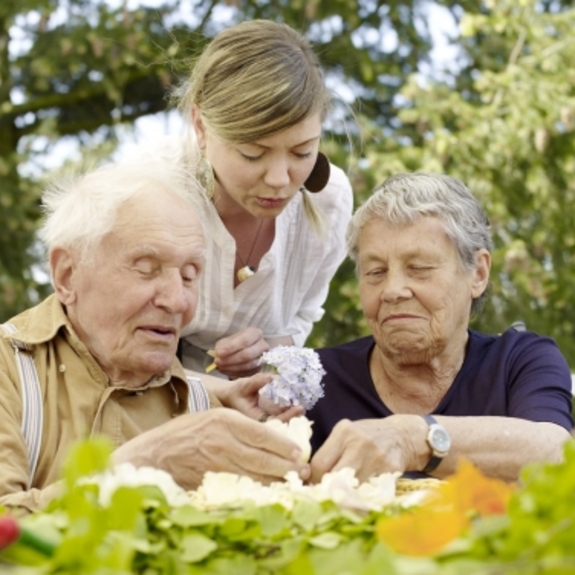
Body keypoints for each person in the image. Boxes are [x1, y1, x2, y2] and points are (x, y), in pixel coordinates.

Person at [0, 160, 310, 513]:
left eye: (190, 275)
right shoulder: (9, 371)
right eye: (146, 269)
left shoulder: (203, 410)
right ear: (68, 275)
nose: (177, 300)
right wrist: (143, 464)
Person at [306, 172, 573, 483]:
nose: (392, 290)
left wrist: (411, 438)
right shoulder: (317, 377)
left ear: (478, 274)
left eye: (419, 269)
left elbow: (554, 451)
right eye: (375, 271)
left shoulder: (518, 361)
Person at [123, 19, 353, 379]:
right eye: (252, 154)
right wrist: (211, 392)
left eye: (301, 152)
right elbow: (110, 339)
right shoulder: (147, 188)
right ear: (200, 127)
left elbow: (304, 315)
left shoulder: (331, 202)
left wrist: (271, 349)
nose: (279, 180)